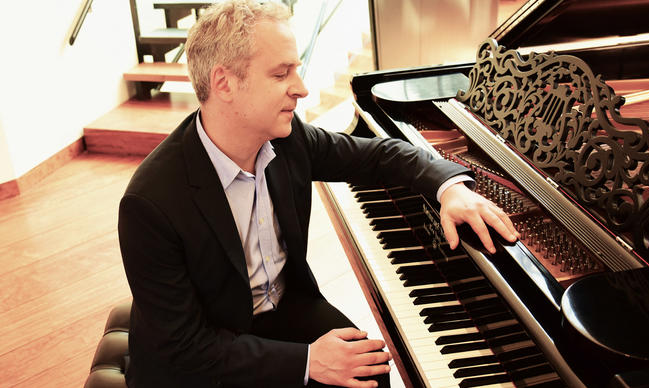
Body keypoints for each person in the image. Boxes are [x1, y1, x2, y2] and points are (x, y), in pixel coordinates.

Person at [117, 1, 519, 387]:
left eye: (297, 69)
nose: (302, 88)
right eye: (281, 74)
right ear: (224, 83)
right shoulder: (150, 203)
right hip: (203, 354)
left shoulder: (288, 141)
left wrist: (448, 186)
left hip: (282, 306)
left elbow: (379, 156)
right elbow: (186, 347)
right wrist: (308, 361)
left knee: (369, 371)